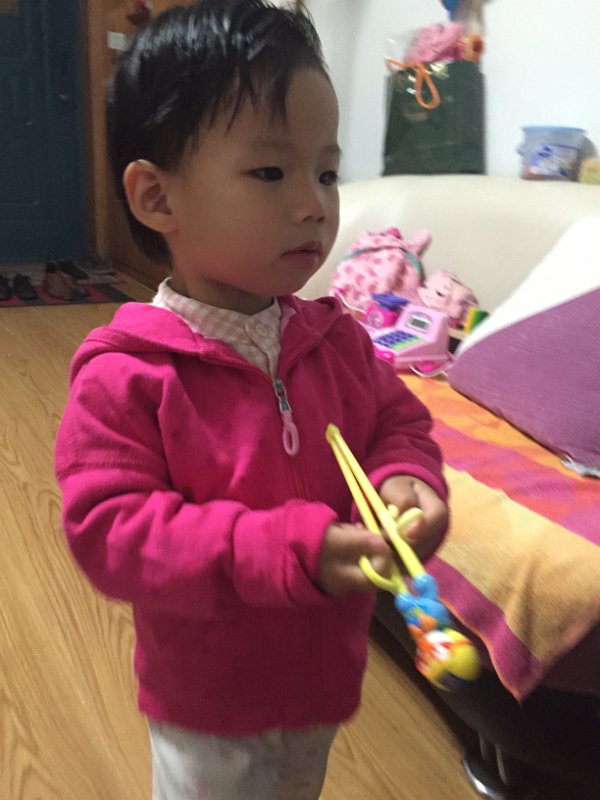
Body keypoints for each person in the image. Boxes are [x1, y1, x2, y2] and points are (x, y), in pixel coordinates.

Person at [55, 1, 448, 798]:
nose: (314, 204)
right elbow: (111, 533)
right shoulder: (126, 374)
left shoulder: (335, 340)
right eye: (271, 172)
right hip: (208, 704)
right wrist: (289, 552)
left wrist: (407, 477)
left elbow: (397, 422)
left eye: (326, 172)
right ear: (157, 198)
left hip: (322, 683)